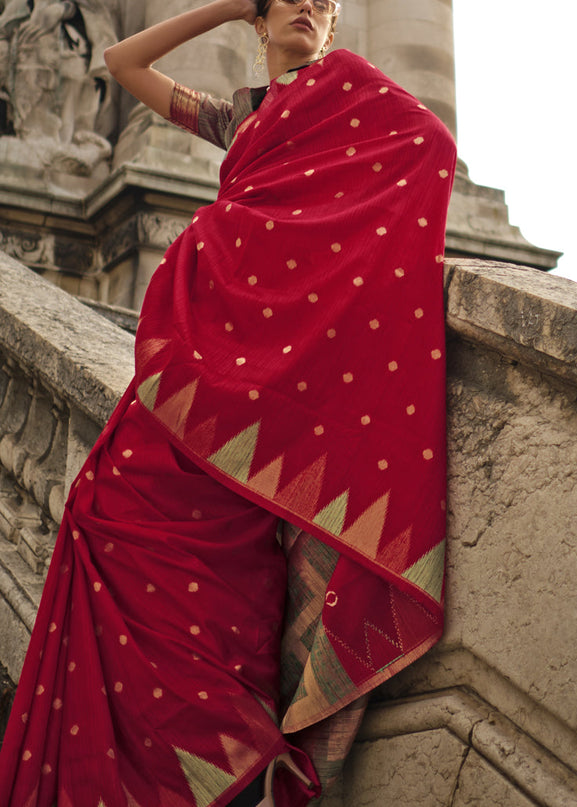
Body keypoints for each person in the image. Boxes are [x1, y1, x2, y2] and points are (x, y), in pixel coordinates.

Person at [0, 1, 456, 805]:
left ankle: (218, 773)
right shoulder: (237, 114)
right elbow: (124, 67)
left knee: (221, 625)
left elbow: (430, 145)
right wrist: (222, 8)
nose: (310, 5)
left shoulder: (350, 92)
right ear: (260, 14)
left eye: (326, 0)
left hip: (253, 405)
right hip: (182, 391)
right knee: (99, 533)